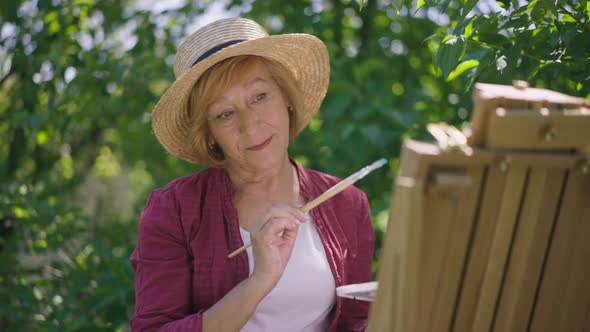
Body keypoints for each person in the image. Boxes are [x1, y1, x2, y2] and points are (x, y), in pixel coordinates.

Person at [129, 17, 375, 332]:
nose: (251, 126)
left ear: (286, 96)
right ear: (210, 134)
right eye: (225, 114)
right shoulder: (174, 210)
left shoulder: (347, 204)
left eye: (260, 97)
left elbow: (356, 323)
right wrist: (259, 281)